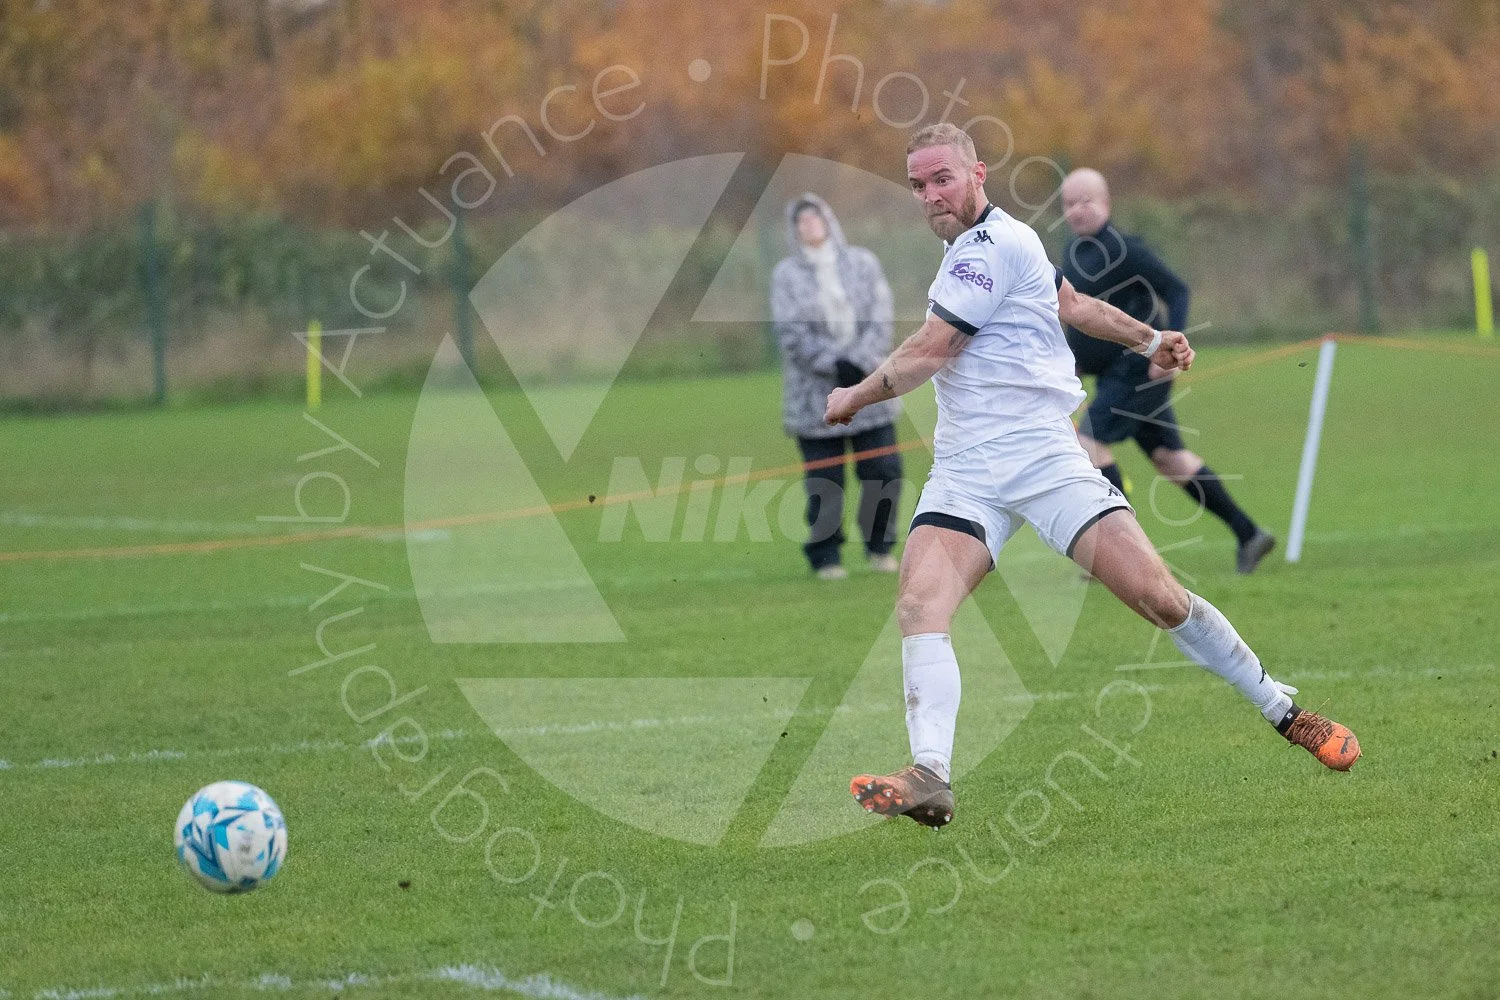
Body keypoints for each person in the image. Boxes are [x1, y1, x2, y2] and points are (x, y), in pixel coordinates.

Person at [825, 124, 1359, 829]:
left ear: (976, 172)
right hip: (966, 469)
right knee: (921, 610)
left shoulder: (991, 247)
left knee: (1160, 598)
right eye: (918, 185)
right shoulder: (983, 247)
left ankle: (1284, 710)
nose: (930, 195)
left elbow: (934, 347)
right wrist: (1148, 338)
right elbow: (1072, 306)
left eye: (942, 178)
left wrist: (852, 398)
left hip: (1043, 458)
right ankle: (930, 775)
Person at [1059, 168, 1276, 574]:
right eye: (1068, 204)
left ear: (1106, 204)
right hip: (1111, 377)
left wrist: (1170, 348)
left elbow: (1177, 290)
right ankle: (1249, 535)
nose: (1077, 210)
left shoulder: (1126, 248)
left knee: (1087, 445)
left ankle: (1121, 554)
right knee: (1169, 459)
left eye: (1085, 201)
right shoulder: (1072, 253)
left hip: (1138, 372)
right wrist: (1074, 360)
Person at [771, 194, 903, 580]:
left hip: (868, 390)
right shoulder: (787, 275)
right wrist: (834, 364)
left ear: (829, 220)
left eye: (815, 217)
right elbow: (791, 332)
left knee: (883, 469)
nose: (809, 225)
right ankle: (826, 555)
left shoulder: (862, 263)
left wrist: (859, 363)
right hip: (815, 397)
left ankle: (880, 548)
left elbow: (882, 316)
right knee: (825, 480)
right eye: (801, 221)